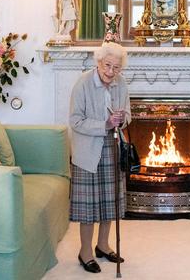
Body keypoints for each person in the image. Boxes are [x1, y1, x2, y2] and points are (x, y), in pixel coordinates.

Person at [69, 42, 130, 274]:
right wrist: (104, 124)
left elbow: (128, 115)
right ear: (98, 62)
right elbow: (75, 120)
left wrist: (122, 119)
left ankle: (103, 245)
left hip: (113, 147)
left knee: (109, 202)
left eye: (116, 67)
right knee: (89, 207)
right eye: (107, 66)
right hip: (88, 150)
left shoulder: (121, 83)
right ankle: (85, 252)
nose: (111, 72)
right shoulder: (83, 83)